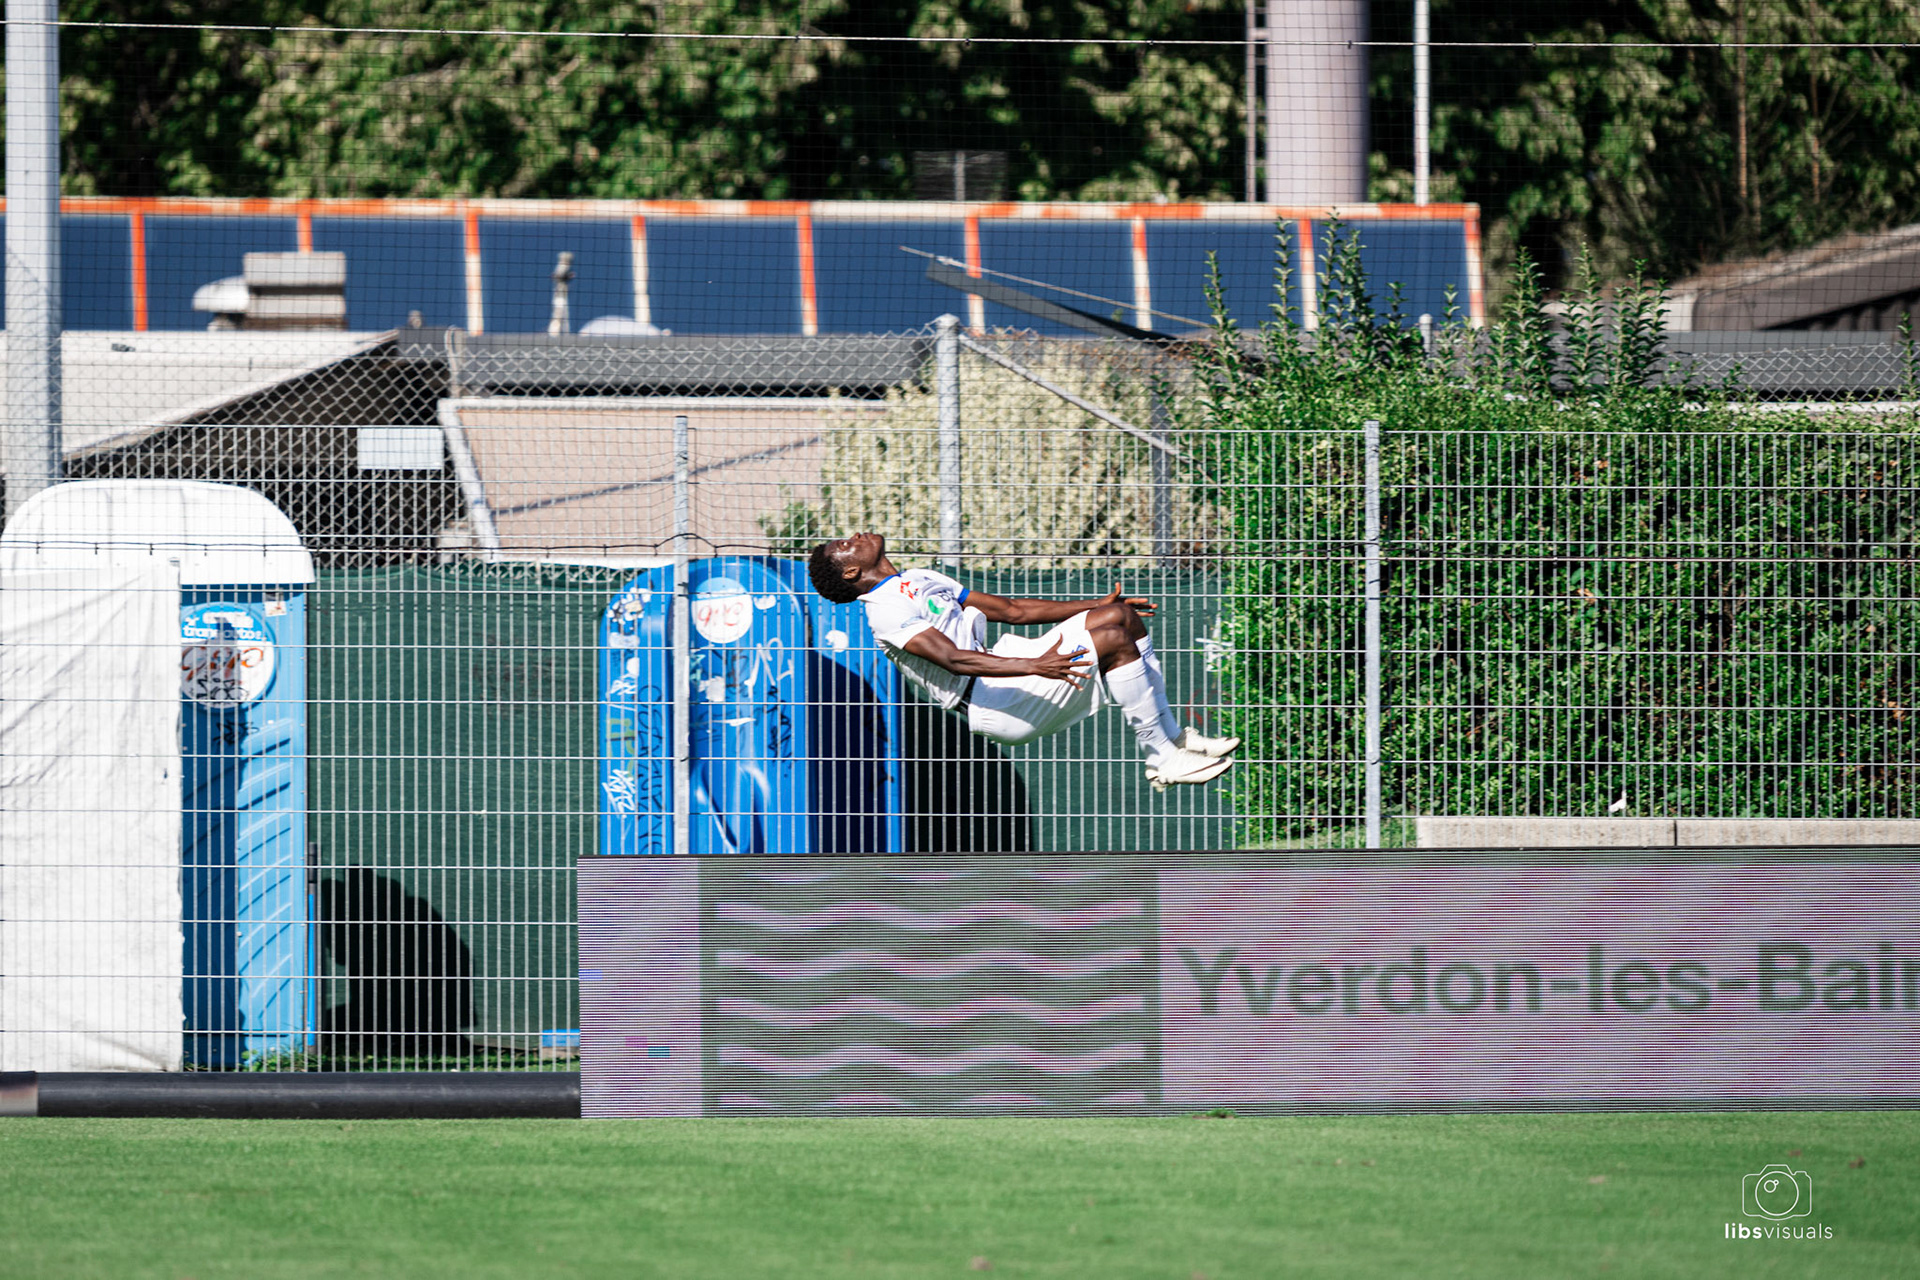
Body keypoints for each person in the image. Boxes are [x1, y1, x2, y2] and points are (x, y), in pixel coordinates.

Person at [808, 532, 1238, 790]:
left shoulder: (919, 578)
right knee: (1109, 637)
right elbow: (955, 660)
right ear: (849, 573)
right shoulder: (883, 610)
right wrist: (1036, 667)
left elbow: (1013, 610)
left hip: (1009, 671)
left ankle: (1171, 740)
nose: (856, 537)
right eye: (846, 546)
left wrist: (1097, 602)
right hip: (995, 701)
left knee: (1118, 616)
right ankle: (1162, 756)